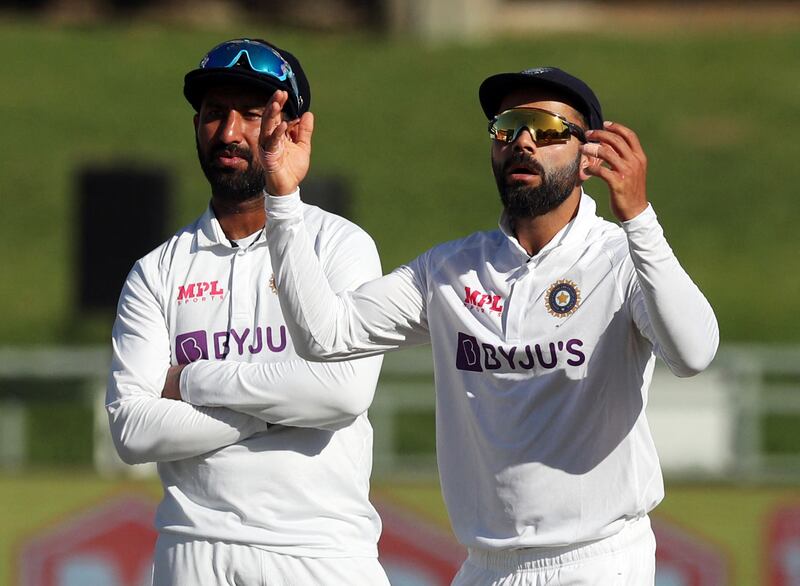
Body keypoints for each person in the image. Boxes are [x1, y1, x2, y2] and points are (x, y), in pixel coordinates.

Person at [257, 67, 719, 585]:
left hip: (599, 560)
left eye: (545, 129)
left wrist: (639, 218)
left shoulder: (621, 257)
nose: (522, 141)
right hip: (485, 566)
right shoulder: (451, 269)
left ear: (590, 157)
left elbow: (695, 353)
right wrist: (282, 199)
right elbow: (324, 335)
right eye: (506, 127)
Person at [106, 38, 390, 586]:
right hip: (193, 552)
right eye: (215, 113)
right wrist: (279, 406)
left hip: (322, 552)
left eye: (254, 114)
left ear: (293, 129)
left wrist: (191, 381)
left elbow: (342, 394)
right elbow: (133, 429)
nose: (230, 132)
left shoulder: (340, 246)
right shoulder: (157, 270)